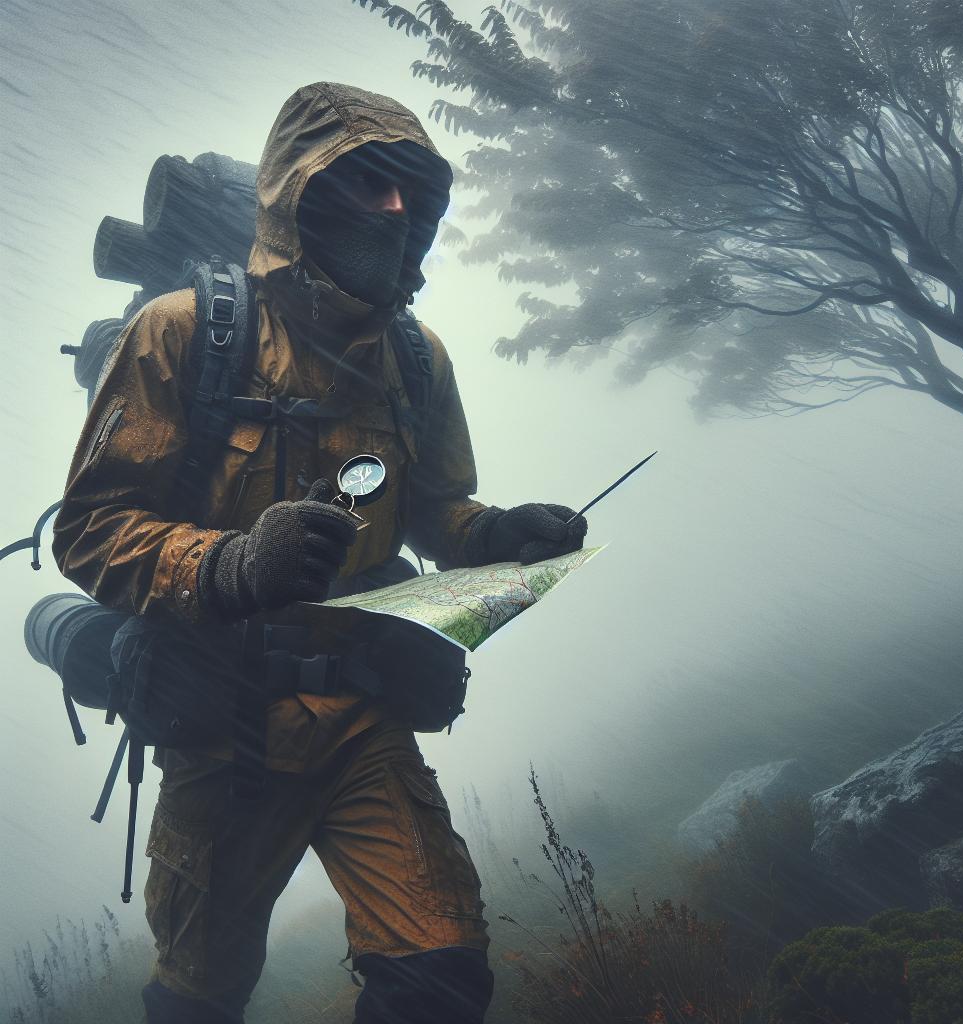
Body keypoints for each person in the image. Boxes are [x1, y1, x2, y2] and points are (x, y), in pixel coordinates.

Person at [52, 82, 587, 1024]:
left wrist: (498, 538)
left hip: (363, 720)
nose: (394, 210)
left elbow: (436, 509)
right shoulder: (182, 333)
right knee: (198, 1000)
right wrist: (229, 566)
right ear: (299, 195)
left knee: (439, 973)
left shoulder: (416, 358)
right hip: (221, 730)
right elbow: (90, 529)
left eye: (410, 194)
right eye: (369, 185)